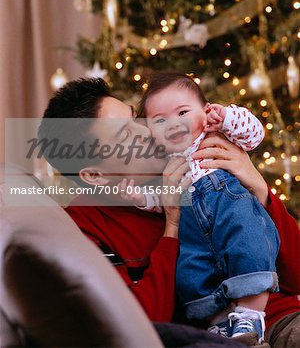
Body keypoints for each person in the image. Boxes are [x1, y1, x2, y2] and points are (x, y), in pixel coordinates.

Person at [39, 77, 300, 348]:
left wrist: (259, 189)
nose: (147, 131)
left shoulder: (201, 160)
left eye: (136, 117)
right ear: (94, 174)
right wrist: (171, 228)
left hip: (280, 318)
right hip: (216, 334)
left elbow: (296, 277)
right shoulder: (84, 227)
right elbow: (136, 327)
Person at [136, 72, 280, 344]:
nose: (174, 124)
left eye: (183, 112)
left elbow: (254, 134)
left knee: (249, 246)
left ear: (206, 110)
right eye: (160, 120)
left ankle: (250, 314)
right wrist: (144, 199)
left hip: (231, 212)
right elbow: (163, 198)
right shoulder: (166, 166)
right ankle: (219, 323)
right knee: (191, 269)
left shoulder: (217, 135)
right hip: (193, 232)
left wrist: (227, 117)